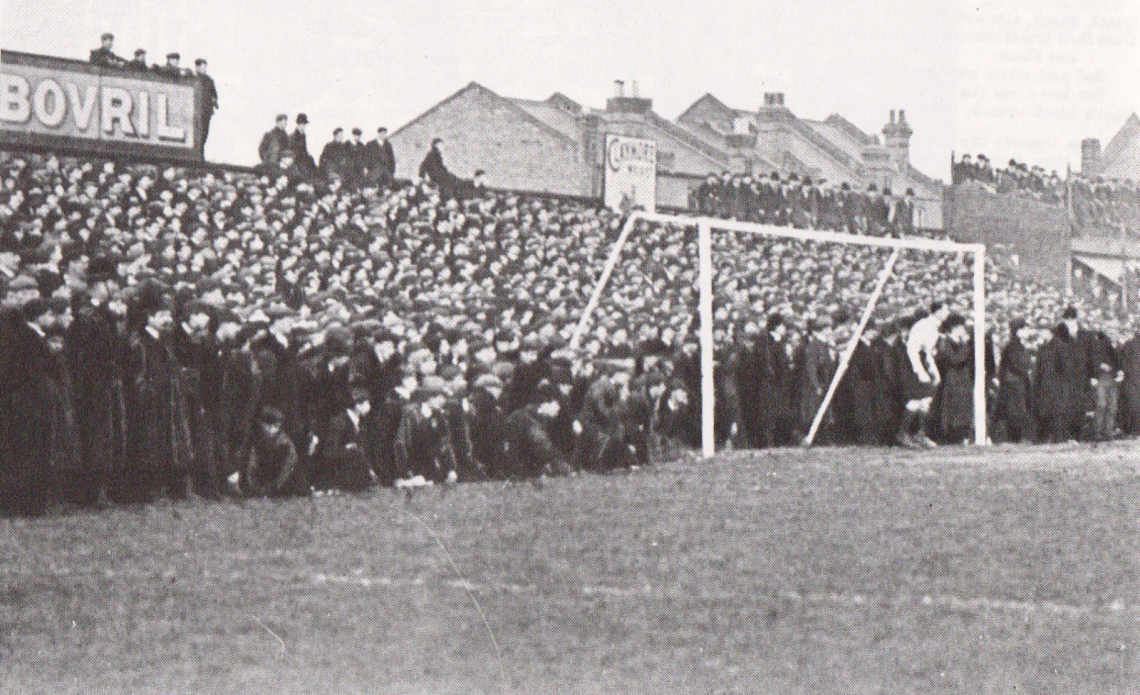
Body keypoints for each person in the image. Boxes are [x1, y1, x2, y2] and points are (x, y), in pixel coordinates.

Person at [62, 256, 126, 507]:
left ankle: (99, 490)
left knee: (104, 437)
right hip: (93, 386)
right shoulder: (88, 315)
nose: (112, 288)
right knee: (95, 437)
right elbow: (86, 356)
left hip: (103, 383)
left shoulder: (101, 314)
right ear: (98, 286)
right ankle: (91, 492)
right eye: (108, 283)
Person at [900, 301, 951, 448]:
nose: (947, 313)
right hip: (913, 363)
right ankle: (903, 434)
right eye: (945, 310)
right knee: (916, 400)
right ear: (937, 311)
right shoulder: (923, 325)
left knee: (926, 400)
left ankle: (919, 434)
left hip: (923, 362)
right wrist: (919, 371)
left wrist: (933, 370)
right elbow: (912, 349)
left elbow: (928, 352)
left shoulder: (935, 328)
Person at [243, 406, 305, 497]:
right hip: (264, 484)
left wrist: (273, 488)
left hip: (284, 485)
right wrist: (255, 486)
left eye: (274, 426)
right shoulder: (259, 444)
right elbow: (252, 467)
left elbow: (287, 469)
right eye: (267, 425)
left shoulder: (285, 445)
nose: (270, 429)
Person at [993, 319, 1035, 443]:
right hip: (1014, 387)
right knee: (1015, 415)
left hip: (1014, 386)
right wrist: (1028, 370)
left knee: (1014, 415)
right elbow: (1019, 365)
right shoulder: (1014, 347)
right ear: (1018, 331)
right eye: (1025, 329)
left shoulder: (1014, 346)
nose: (1028, 332)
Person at [194, 59, 219, 151]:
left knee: (204, 133)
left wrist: (214, 101)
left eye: (205, 67)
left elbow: (214, 94)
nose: (204, 69)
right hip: (196, 110)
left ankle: (201, 152)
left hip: (206, 110)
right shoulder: (193, 78)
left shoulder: (209, 80)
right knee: (196, 133)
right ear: (197, 67)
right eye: (202, 67)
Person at [288, 114, 317, 179]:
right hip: (297, 164)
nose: (303, 127)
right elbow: (292, 153)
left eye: (304, 125)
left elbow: (304, 150)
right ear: (298, 125)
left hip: (303, 162)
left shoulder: (303, 136)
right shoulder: (292, 137)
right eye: (302, 125)